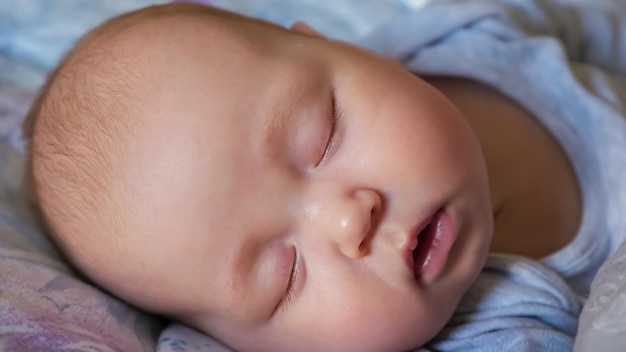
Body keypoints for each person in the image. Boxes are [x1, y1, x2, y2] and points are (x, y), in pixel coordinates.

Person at [21, 0, 626, 351]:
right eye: (284, 277)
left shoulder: (468, 33)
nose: (348, 218)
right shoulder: (506, 333)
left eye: (324, 134)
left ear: (346, 49)